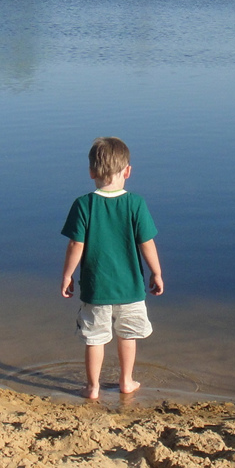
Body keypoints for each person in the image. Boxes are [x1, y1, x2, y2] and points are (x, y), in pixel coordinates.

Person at [60, 137, 164, 399]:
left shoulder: (84, 204)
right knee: (128, 337)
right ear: (127, 171)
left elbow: (76, 244)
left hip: (96, 289)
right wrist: (157, 272)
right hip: (131, 288)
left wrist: (67, 275)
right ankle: (126, 381)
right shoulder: (135, 203)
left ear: (91, 172)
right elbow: (147, 243)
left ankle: (92, 387)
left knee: (95, 338)